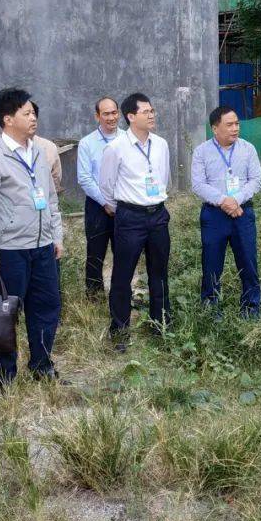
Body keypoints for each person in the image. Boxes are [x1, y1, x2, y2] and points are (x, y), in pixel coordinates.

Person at [0, 88, 64, 387]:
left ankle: (42, 364)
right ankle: (5, 376)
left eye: (33, 112)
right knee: (7, 313)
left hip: (42, 246)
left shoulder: (38, 151)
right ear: (8, 119)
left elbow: (50, 198)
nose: (33, 117)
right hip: (10, 250)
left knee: (47, 306)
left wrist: (56, 235)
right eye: (26, 113)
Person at [99, 92, 171, 351]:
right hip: (129, 217)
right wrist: (126, 207)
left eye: (152, 110)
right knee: (122, 275)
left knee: (159, 273)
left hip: (158, 215)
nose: (151, 115)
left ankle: (160, 325)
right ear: (130, 117)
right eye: (145, 112)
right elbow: (106, 186)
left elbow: (164, 177)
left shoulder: (161, 144)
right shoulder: (116, 148)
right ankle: (119, 333)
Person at [190, 106, 261, 318]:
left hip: (242, 213)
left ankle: (251, 307)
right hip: (214, 215)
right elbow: (198, 184)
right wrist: (223, 201)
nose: (235, 129)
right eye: (229, 125)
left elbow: (256, 181)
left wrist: (236, 200)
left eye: (237, 124)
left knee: (248, 262)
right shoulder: (202, 152)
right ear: (215, 128)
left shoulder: (248, 149)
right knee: (211, 263)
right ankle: (210, 308)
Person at [76, 97, 125, 298]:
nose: (111, 118)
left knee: (123, 252)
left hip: (124, 204)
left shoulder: (127, 139)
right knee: (95, 253)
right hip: (97, 206)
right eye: (106, 114)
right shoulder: (87, 143)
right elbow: (84, 178)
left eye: (114, 113)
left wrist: (116, 202)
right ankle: (94, 296)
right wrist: (105, 202)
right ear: (97, 116)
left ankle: (121, 293)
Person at [30, 102, 64, 195]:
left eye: (33, 114)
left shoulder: (49, 147)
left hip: (46, 203)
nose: (32, 119)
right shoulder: (0, 152)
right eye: (26, 114)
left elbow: (56, 180)